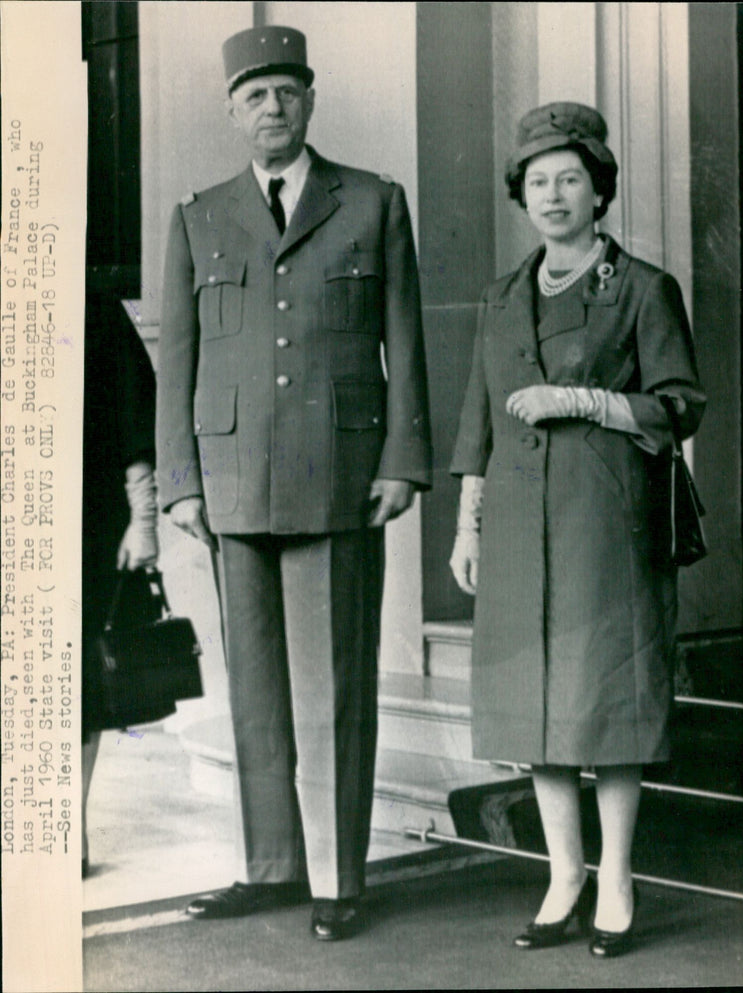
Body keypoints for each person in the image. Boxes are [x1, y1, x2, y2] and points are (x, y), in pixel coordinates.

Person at [156, 26, 431, 941]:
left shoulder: (374, 202)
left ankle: (337, 876)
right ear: (233, 113)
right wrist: (181, 483)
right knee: (256, 691)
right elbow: (180, 366)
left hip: (343, 476)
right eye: (253, 96)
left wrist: (402, 460)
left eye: (286, 92)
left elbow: (406, 340)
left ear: (309, 102)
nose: (271, 108)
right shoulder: (198, 215)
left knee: (334, 688)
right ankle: (272, 865)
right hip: (232, 483)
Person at [449, 102, 705, 958]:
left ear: (600, 191)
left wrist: (584, 400)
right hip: (519, 524)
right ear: (520, 197)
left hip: (608, 521)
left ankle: (618, 880)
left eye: (570, 179)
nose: (553, 194)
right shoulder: (500, 295)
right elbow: (476, 419)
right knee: (534, 709)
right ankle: (563, 877)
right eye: (537, 182)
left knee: (606, 705)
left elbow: (678, 406)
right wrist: (468, 524)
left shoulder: (643, 289)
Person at [82, 295, 159, 878]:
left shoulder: (92, 308)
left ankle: (66, 828)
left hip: (83, 524)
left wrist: (144, 518)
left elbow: (135, 416)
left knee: (78, 688)